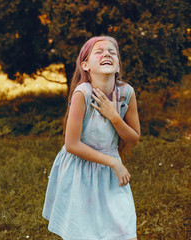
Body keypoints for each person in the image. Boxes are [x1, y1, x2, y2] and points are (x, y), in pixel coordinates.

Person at [42, 36, 140, 240]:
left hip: (111, 171)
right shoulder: (82, 94)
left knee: (124, 230)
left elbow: (134, 138)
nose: (107, 54)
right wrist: (113, 162)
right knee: (85, 232)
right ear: (85, 65)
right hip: (81, 169)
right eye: (99, 51)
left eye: (112, 52)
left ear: (118, 64)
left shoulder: (126, 93)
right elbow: (71, 144)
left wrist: (114, 117)